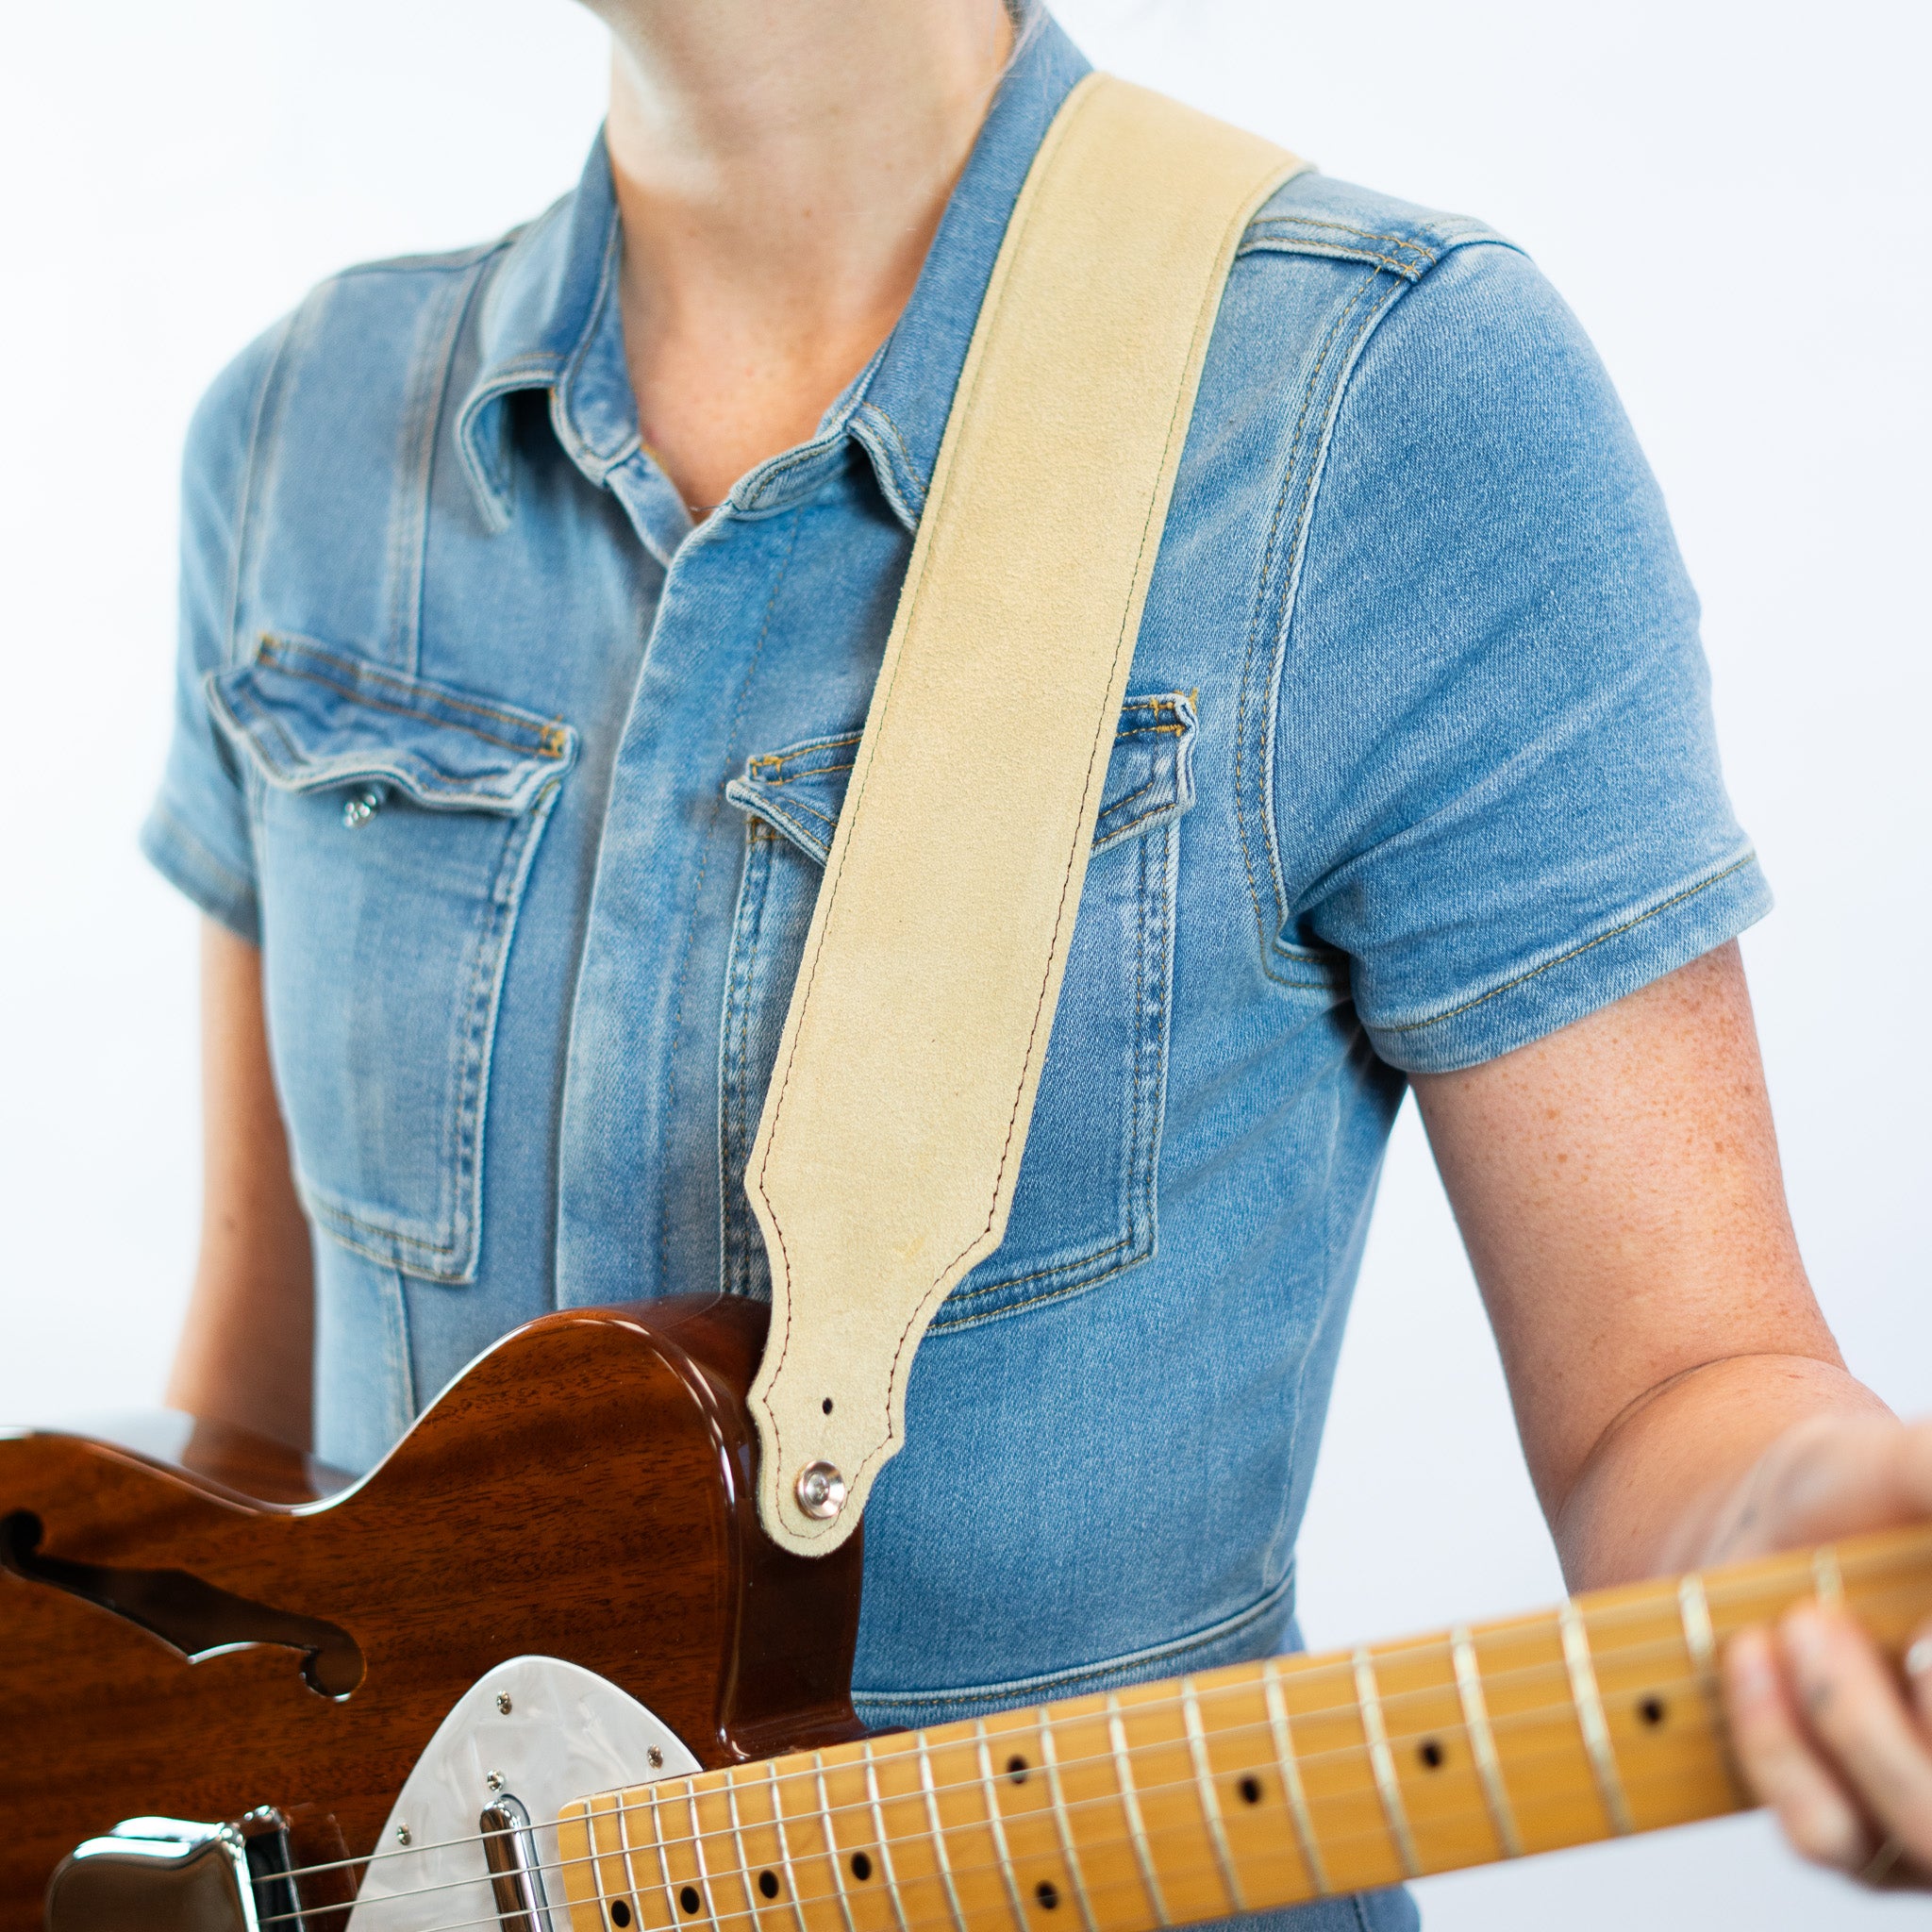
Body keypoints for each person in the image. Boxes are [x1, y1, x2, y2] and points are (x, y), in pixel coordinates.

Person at [142, 0, 1932, 1919]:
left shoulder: (1387, 395)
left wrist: (1822, 1537)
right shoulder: (302, 426)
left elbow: (1672, 1385)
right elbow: (241, 1465)